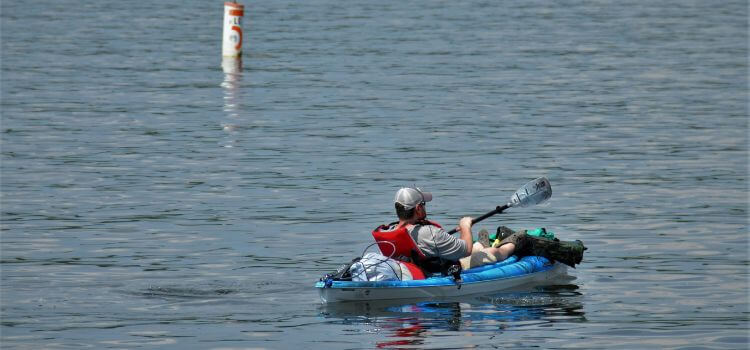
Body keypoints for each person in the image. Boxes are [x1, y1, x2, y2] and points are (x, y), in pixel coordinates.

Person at [372, 186, 524, 274]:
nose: (425, 207)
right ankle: (516, 241)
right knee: (490, 254)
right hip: (439, 268)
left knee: (472, 246)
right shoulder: (428, 233)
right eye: (423, 204)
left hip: (412, 269)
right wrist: (465, 226)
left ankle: (481, 243)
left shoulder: (387, 231)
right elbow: (465, 250)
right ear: (418, 208)